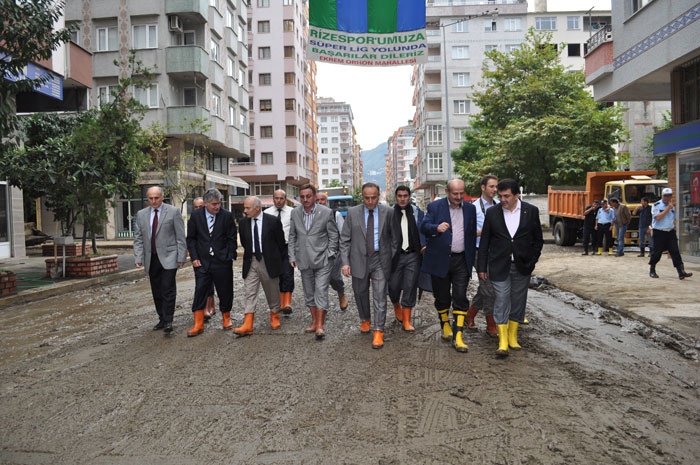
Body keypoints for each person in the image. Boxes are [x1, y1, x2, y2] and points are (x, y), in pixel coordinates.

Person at [477, 179, 543, 357]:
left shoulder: (531, 211)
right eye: (500, 196)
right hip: (498, 265)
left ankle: (513, 336)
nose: (502, 200)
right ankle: (503, 341)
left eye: (506, 196)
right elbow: (484, 242)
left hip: (522, 265)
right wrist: (481, 267)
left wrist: (532, 261)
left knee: (518, 300)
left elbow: (538, 240)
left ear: (516, 195)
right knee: (502, 299)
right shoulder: (493, 213)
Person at [420, 179, 477, 353]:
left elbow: (471, 234)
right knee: (442, 297)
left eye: (461, 193)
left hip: (461, 260)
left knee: (460, 296)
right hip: (440, 259)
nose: (459, 197)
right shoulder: (435, 207)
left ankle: (458, 335)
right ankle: (445, 323)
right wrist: (436, 228)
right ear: (447, 192)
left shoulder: (470, 209)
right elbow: (424, 226)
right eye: (455, 194)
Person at [340, 182, 397, 349]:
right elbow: (345, 239)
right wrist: (345, 262)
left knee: (380, 295)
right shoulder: (352, 213)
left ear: (378, 196)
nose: (370, 201)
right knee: (360, 292)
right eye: (367, 198)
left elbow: (395, 239)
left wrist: (389, 257)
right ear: (362, 197)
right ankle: (365, 319)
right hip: (358, 258)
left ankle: (378, 330)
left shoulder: (389, 212)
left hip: (380, 259)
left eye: (373, 197)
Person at [288, 184, 339, 339]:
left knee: (321, 290)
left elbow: (333, 235)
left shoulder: (326, 212)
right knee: (309, 292)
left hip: (323, 259)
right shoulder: (295, 212)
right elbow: (292, 236)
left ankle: (320, 326)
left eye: (308, 196)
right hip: (303, 259)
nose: (305, 199)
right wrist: (292, 256)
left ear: (315, 196)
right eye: (302, 196)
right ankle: (314, 321)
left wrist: (330, 253)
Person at [133, 186, 186, 333]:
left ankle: (169, 320)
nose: (154, 201)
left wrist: (181, 256)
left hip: (170, 256)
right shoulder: (141, 214)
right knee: (156, 290)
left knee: (167, 288)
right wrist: (138, 257)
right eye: (151, 198)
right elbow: (138, 238)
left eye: (156, 198)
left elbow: (180, 236)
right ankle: (162, 318)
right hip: (151, 258)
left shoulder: (173, 212)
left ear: (162, 197)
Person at [185, 188, 237, 337]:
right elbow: (191, 239)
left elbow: (232, 238)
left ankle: (226, 318)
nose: (217, 206)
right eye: (214, 204)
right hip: (202, 262)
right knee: (200, 291)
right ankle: (198, 324)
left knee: (225, 291)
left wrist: (229, 256)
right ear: (206, 203)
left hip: (222, 262)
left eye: (219, 203)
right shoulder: (196, 216)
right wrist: (194, 257)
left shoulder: (226, 216)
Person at [233, 196, 287, 336]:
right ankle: (248, 323)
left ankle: (274, 315)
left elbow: (281, 243)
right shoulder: (243, 223)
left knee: (272, 289)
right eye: (244, 208)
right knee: (249, 291)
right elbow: (244, 242)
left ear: (257, 208)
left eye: (247, 208)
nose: (245, 211)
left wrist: (275, 258)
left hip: (268, 261)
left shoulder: (273, 221)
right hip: (250, 260)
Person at [388, 185, 425, 332]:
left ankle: (407, 321)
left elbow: (423, 230)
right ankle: (396, 304)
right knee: (393, 286)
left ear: (409, 197)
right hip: (395, 256)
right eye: (400, 196)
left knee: (410, 286)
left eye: (405, 196)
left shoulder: (417, 212)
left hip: (413, 255)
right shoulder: (389, 213)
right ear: (396, 197)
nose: (402, 199)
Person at [467, 175, 499, 337]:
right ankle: (491, 324)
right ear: (483, 187)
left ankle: (470, 314)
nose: (495, 189)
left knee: (487, 286)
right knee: (489, 289)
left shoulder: (499, 205)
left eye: (496, 187)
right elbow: (467, 232)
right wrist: (483, 232)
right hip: (479, 252)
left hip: (496, 252)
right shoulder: (473, 208)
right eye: (491, 186)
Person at [649, 188, 693, 280]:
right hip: (659, 232)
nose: (667, 197)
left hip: (670, 232)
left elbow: (673, 218)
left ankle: (681, 272)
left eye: (669, 195)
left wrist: (674, 227)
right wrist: (668, 208)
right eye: (665, 196)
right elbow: (657, 217)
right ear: (662, 196)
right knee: (657, 252)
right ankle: (652, 270)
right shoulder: (656, 205)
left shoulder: (672, 205)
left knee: (675, 251)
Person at [316, 191, 349, 311]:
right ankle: (321, 306)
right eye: (317, 200)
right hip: (317, 252)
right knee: (319, 280)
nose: (320, 202)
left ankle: (341, 293)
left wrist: (345, 254)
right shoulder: (310, 215)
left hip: (334, 252)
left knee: (334, 277)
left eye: (322, 200)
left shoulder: (336, 214)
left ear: (327, 201)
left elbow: (344, 234)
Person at [264, 190, 295, 315]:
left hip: (287, 246)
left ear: (285, 199)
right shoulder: (266, 213)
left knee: (288, 273)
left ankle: (287, 303)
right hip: (273, 248)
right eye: (276, 198)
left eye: (281, 198)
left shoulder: (292, 212)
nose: (279, 201)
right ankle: (279, 303)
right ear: (273, 199)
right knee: (275, 275)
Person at [192, 197, 217, 321]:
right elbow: (191, 239)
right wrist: (194, 256)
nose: (198, 209)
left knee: (210, 282)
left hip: (213, 256)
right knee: (201, 283)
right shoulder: (193, 219)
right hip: (199, 257)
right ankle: (204, 308)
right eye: (195, 207)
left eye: (200, 206)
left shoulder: (213, 218)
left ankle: (210, 305)